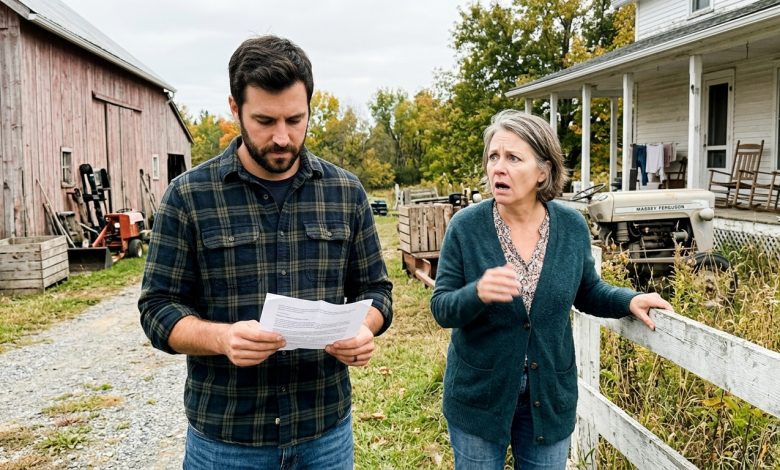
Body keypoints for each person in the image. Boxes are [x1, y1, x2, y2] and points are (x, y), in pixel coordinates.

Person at [139, 35, 392, 469]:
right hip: (227, 439)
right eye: (264, 120)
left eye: (295, 119)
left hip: (324, 432)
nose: (281, 137)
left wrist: (365, 328)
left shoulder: (345, 192)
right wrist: (221, 338)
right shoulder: (188, 197)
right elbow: (157, 309)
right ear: (235, 109)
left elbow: (377, 291)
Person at [430, 109, 672, 470]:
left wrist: (630, 299)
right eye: (494, 157)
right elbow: (442, 307)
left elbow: (587, 291)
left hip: (549, 396)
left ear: (543, 171)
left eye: (513, 158)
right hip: (479, 397)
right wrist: (477, 292)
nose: (499, 167)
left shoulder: (571, 226)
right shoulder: (466, 227)